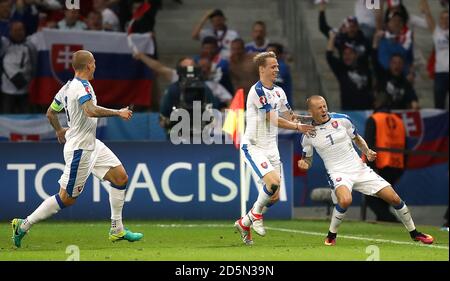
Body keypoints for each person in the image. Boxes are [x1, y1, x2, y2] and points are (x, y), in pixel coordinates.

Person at [11, 50, 143, 248]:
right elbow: (90, 110)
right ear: (88, 65)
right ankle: (23, 225)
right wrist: (119, 112)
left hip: (92, 144)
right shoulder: (82, 87)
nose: (95, 66)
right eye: (94, 62)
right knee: (66, 199)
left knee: (120, 177)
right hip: (81, 149)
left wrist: (59, 131)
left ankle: (117, 229)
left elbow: (50, 113)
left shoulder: (67, 87)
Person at [297, 95, 434, 246]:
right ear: (311, 111)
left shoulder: (342, 120)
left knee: (394, 198)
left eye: (324, 106)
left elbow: (357, 138)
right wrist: (305, 164)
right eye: (319, 107)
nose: (324, 109)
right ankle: (331, 236)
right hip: (337, 173)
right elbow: (307, 159)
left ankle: (415, 233)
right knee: (345, 200)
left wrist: (367, 151)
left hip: (359, 168)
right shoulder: (308, 134)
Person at [234, 51, 315, 245]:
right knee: (273, 183)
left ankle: (245, 222)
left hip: (272, 148)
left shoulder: (279, 91)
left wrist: (311, 120)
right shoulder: (257, 91)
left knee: (275, 196)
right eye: (273, 66)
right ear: (262, 69)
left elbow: (289, 116)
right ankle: (256, 216)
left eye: (277, 66)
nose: (277, 69)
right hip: (254, 145)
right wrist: (297, 127)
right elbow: (273, 119)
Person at [363, 93, 405, 222]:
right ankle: (385, 222)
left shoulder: (374, 119)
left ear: (377, 103)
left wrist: (370, 167)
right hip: (397, 165)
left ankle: (392, 221)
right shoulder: (399, 120)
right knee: (383, 197)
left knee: (370, 196)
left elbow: (368, 145)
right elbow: (406, 146)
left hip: (380, 164)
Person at [421, 0, 449, 109]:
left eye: (448, 18)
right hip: (440, 73)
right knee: (439, 105)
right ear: (439, 20)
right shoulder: (436, 31)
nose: (445, 20)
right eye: (443, 18)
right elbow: (427, 12)